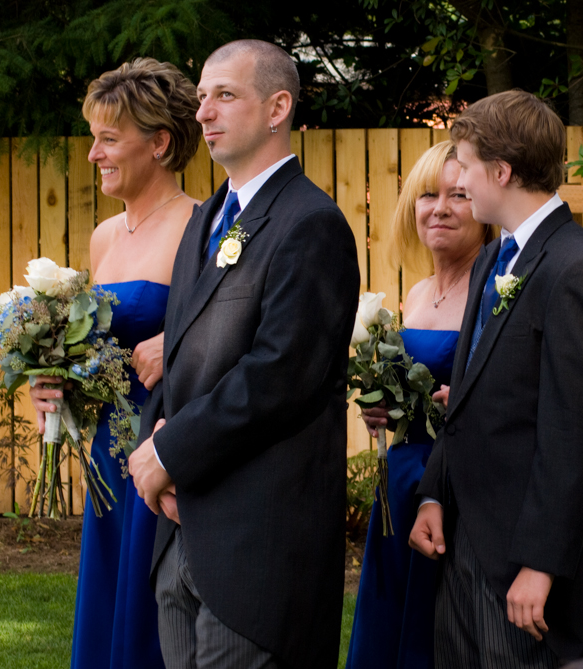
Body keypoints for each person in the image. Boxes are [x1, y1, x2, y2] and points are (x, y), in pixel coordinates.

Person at [126, 40, 359, 668]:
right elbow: (178, 356)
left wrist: (171, 453)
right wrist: (156, 455)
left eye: (225, 95)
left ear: (278, 108)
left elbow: (279, 377)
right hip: (181, 531)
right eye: (202, 97)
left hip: (258, 550)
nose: (203, 112)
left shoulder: (311, 224)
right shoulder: (205, 220)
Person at [410, 89, 583, 666]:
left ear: (501, 171)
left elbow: (579, 434)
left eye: (465, 166)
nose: (459, 180)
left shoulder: (575, 268)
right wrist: (433, 492)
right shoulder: (493, 259)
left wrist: (540, 564)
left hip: (525, 565)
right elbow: (466, 396)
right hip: (464, 542)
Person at [28, 57, 201, 669]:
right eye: (92, 138)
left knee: (153, 619)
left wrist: (175, 346)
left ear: (159, 143)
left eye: (108, 139)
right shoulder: (104, 236)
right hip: (108, 447)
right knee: (108, 605)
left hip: (164, 440)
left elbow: (224, 338)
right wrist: (52, 379)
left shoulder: (200, 226)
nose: (93, 153)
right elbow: (99, 350)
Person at [346, 140, 493, 669]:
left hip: (454, 488)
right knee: (388, 622)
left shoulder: (493, 293)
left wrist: (470, 405)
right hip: (400, 480)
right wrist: (383, 407)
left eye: (459, 195)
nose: (441, 208)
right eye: (429, 195)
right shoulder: (417, 294)